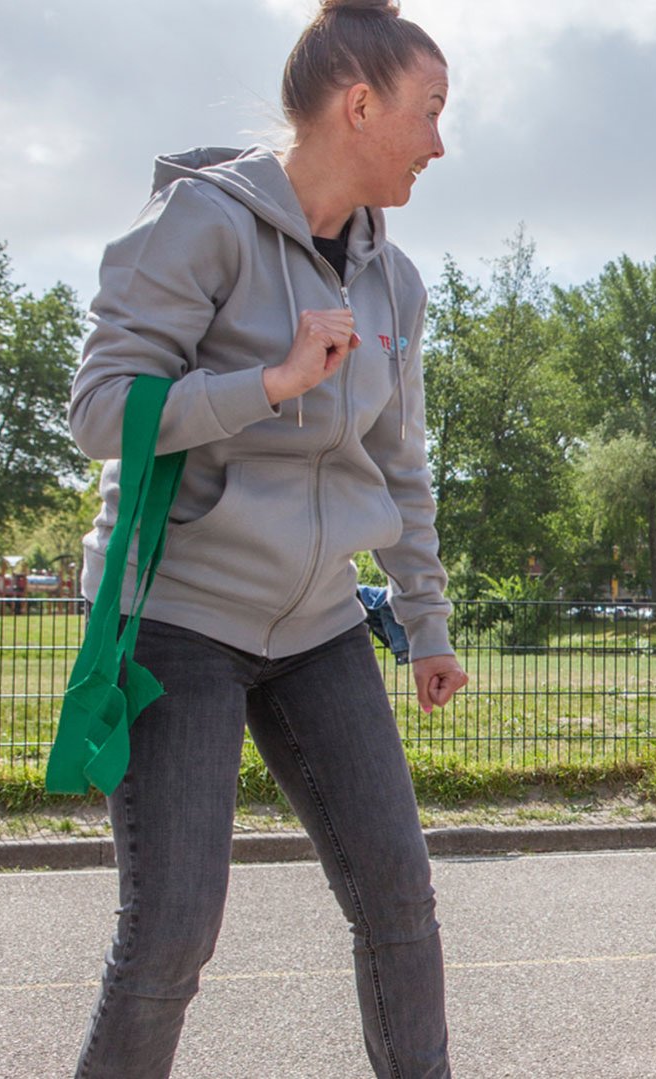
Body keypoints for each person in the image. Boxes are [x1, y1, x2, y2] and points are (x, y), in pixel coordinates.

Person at [64, 2, 463, 1076]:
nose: (439, 142)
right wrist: (269, 383)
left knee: (399, 900)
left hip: (321, 621)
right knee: (173, 926)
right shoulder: (200, 221)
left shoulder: (395, 280)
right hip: (181, 613)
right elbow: (101, 413)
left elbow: (400, 466)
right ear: (360, 103)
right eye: (430, 112)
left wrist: (426, 622)